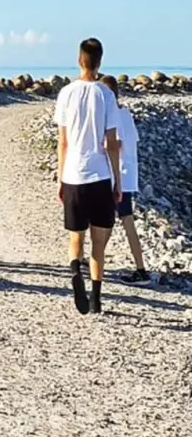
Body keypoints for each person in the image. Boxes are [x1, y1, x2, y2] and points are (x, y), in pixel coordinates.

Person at [54, 40, 122, 315]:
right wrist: (116, 179)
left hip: (73, 174)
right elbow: (111, 142)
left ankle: (74, 272)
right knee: (98, 241)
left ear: (79, 60)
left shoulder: (66, 93)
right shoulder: (106, 95)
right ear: (100, 61)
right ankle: (95, 298)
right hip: (99, 175)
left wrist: (60, 178)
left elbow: (63, 142)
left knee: (75, 238)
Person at [102, 74, 149, 284]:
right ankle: (97, 256)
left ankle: (141, 269)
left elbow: (116, 145)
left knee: (126, 219)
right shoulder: (125, 114)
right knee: (110, 218)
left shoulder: (115, 117)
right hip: (127, 174)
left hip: (119, 176)